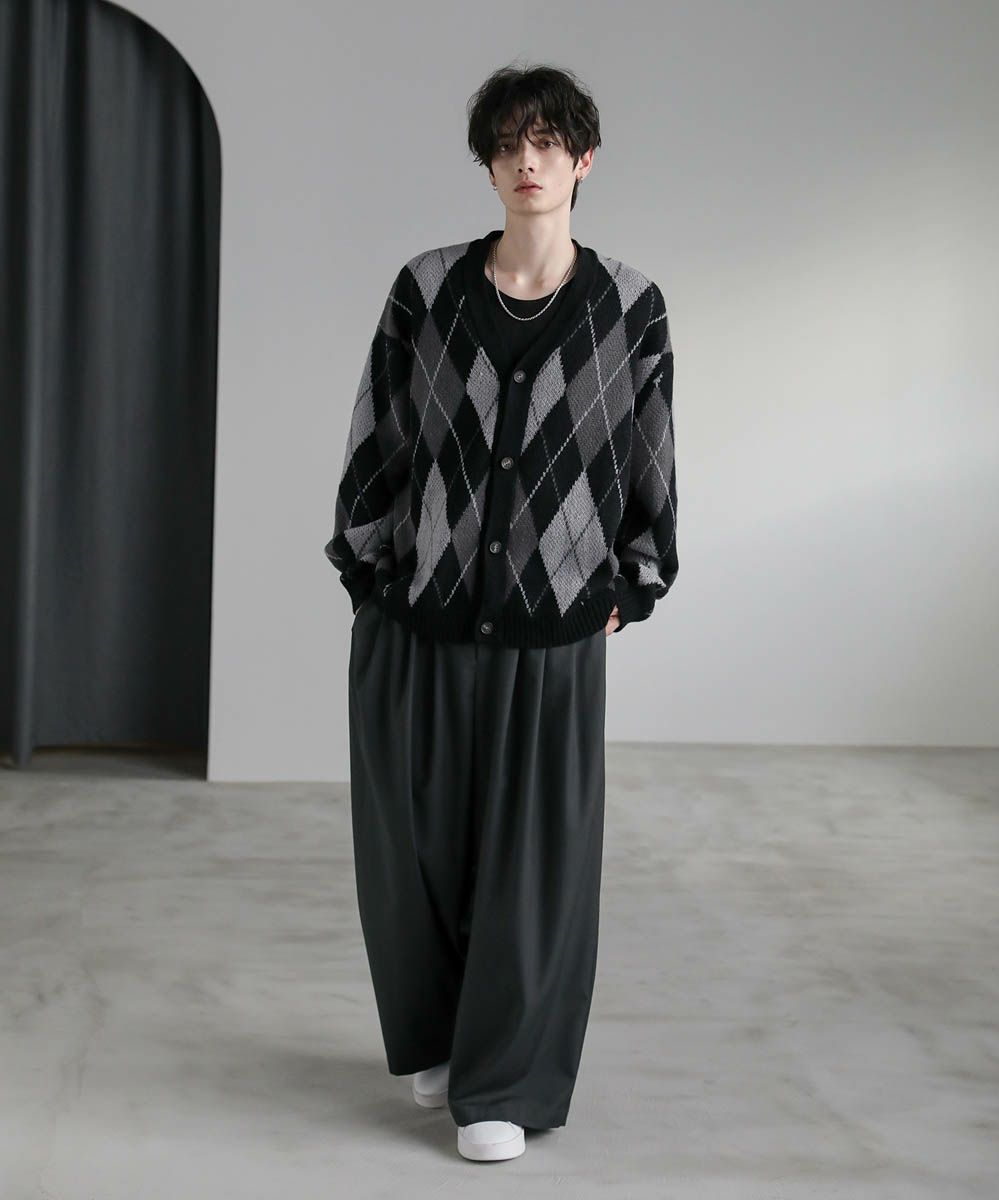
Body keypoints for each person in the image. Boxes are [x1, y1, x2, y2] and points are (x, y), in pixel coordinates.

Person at [324, 62, 678, 1163]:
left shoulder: (629, 306)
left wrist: (631, 582)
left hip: (551, 633)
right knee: (414, 853)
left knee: (534, 871)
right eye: (508, 145)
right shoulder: (427, 289)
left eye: (548, 143)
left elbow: (649, 454)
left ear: (583, 161)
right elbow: (378, 436)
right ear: (487, 164)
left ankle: (504, 1084)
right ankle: (439, 1037)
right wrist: (372, 576)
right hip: (420, 617)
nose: (528, 162)